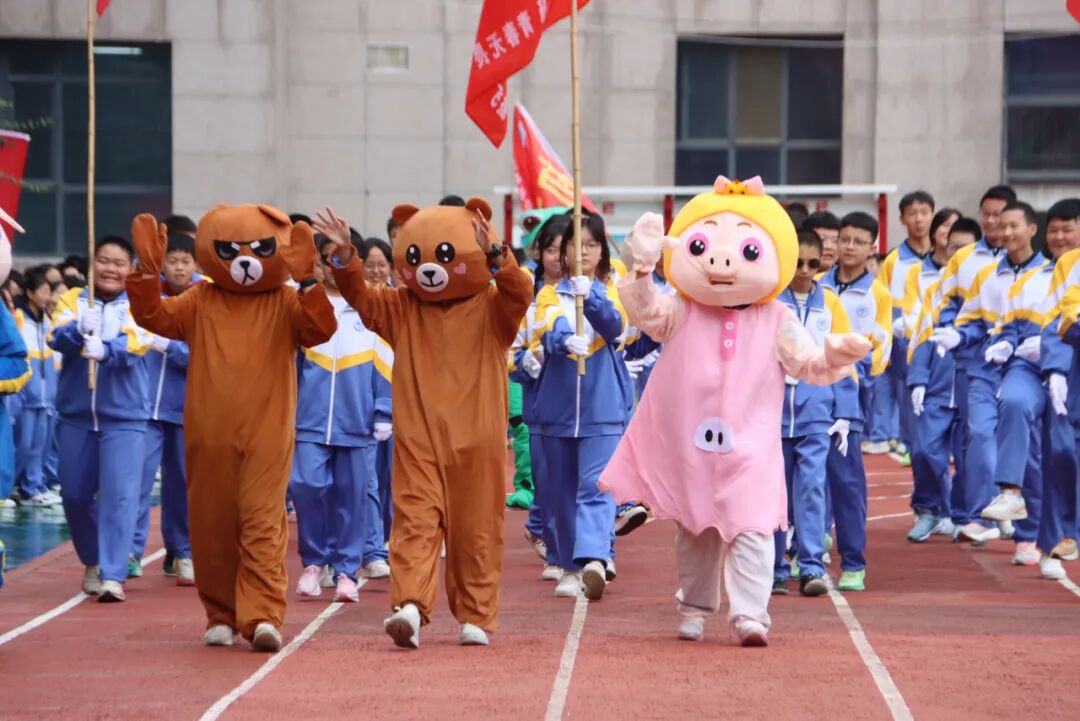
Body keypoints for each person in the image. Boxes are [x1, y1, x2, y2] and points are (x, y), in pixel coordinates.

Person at [600, 177, 869, 645]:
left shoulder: (777, 318)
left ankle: (750, 614)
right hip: (692, 445)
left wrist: (838, 356)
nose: (721, 263)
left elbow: (806, 362)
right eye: (702, 246)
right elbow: (645, 315)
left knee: (754, 527)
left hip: (752, 444)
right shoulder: (683, 309)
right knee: (696, 529)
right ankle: (696, 604)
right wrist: (641, 270)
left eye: (747, 251)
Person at [316, 198, 531, 650]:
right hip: (418, 440)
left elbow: (519, 292)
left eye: (445, 257)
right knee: (413, 522)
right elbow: (360, 296)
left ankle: (474, 615)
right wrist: (345, 256)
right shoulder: (401, 308)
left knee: (476, 530)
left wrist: (497, 256)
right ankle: (410, 605)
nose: (430, 269)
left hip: (477, 442)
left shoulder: (493, 308)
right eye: (416, 259)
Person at [128, 206, 336, 652]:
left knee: (262, 522)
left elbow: (321, 329)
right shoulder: (200, 301)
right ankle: (220, 613)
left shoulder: (284, 301)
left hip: (266, 433)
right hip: (208, 435)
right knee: (212, 525)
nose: (245, 260)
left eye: (259, 250)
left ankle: (262, 613)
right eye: (230, 251)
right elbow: (153, 319)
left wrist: (309, 281)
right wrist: (146, 275)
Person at [532, 211, 631, 601]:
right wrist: (559, 339)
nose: (584, 252)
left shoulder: (612, 290)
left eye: (592, 245)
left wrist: (590, 297)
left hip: (601, 410)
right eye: (577, 245)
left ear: (602, 251)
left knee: (594, 487)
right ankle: (569, 563)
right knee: (560, 492)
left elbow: (615, 326)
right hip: (556, 412)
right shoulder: (548, 294)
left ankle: (594, 558)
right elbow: (547, 327)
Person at [50, 235, 152, 602]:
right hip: (77, 414)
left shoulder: (142, 304)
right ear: (93, 264)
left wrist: (106, 349)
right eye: (104, 261)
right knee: (75, 495)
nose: (110, 269)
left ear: (132, 269)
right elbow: (53, 336)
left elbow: (138, 344)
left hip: (124, 417)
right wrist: (76, 329)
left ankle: (112, 574)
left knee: (120, 497)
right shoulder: (72, 300)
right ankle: (92, 559)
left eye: (119, 262)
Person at [292, 236, 392, 603]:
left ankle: (348, 570)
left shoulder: (370, 309)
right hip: (311, 421)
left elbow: (385, 365)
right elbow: (293, 367)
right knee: (305, 485)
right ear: (317, 265)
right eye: (325, 259)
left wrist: (383, 410)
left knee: (352, 497)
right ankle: (315, 560)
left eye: (341, 258)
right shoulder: (306, 308)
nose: (332, 266)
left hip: (357, 422)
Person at [927, 185, 1017, 542]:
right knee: (977, 435)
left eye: (1001, 215)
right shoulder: (964, 260)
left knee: (1012, 436)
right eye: (987, 214)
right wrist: (950, 333)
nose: (994, 222)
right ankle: (983, 512)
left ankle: (1015, 507)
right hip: (974, 361)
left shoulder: (1033, 265)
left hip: (1019, 365)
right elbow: (944, 302)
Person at [773, 231, 861, 597]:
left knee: (810, 491)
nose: (806, 271)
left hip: (815, 413)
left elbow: (843, 358)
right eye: (798, 263)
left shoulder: (830, 305)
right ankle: (775, 568)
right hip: (772, 415)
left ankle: (809, 565)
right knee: (775, 495)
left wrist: (845, 412)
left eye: (814, 264)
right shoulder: (769, 304)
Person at [819, 212, 893, 592]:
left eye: (857, 241)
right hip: (811, 395)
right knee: (805, 477)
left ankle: (853, 562)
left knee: (847, 481)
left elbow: (879, 354)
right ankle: (807, 552)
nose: (846, 247)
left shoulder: (877, 295)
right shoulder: (817, 285)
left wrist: (844, 367)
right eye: (842, 239)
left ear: (872, 247)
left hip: (848, 399)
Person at [131, 232, 201, 585]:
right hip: (143, 407)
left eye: (185, 261)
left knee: (182, 483)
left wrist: (167, 346)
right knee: (137, 480)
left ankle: (183, 551)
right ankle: (130, 550)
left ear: (196, 264)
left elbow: (202, 355)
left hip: (186, 407)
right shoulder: (147, 295)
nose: (178, 267)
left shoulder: (203, 298)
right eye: (172, 261)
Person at [904, 210, 968, 542]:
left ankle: (962, 514)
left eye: (966, 248)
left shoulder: (989, 285)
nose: (958, 254)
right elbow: (921, 335)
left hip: (974, 385)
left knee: (972, 455)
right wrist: (918, 378)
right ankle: (929, 509)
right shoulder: (937, 289)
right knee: (925, 450)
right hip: (939, 386)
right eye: (953, 246)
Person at [877, 191, 935, 457]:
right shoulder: (893, 261)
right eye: (912, 214)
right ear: (902, 219)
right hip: (905, 342)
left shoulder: (943, 257)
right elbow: (883, 302)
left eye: (924, 212)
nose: (919, 219)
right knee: (909, 397)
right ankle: (912, 447)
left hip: (938, 338)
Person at [12, 267, 61, 506]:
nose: (47, 296)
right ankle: (16, 485)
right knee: (24, 443)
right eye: (43, 291)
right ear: (30, 293)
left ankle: (34, 484)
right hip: (26, 395)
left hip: (45, 396)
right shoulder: (19, 318)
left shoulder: (47, 321)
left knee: (41, 444)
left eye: (48, 291)